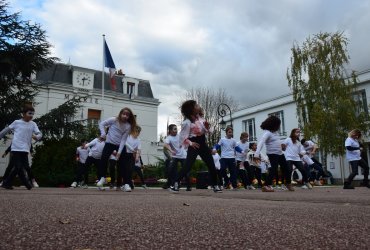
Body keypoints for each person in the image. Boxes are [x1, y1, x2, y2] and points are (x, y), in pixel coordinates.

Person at [171, 100, 222, 193]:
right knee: (188, 165)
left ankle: (215, 185)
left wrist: (207, 127)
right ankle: (176, 183)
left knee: (211, 164)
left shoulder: (201, 119)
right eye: (196, 105)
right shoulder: (187, 122)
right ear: (191, 109)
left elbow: (210, 131)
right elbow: (182, 137)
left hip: (202, 143)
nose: (199, 106)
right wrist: (191, 143)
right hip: (193, 144)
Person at [0, 104, 42, 190]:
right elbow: (6, 130)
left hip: (25, 149)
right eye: (29, 113)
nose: (31, 116)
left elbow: (39, 134)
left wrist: (37, 137)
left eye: (32, 114)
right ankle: (27, 184)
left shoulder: (33, 124)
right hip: (16, 148)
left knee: (25, 167)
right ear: (23, 113)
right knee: (18, 167)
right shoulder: (17, 122)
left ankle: (6, 183)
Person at [96, 108, 136, 188]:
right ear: (120, 114)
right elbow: (101, 124)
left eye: (127, 115)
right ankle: (103, 178)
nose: (125, 116)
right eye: (123, 114)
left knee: (124, 164)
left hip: (119, 145)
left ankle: (126, 184)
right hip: (109, 143)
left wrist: (119, 152)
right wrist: (103, 134)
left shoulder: (128, 126)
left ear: (129, 117)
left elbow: (123, 139)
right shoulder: (114, 120)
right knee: (103, 159)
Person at [254, 116, 293, 192]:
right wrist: (256, 154)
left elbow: (276, 142)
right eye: (278, 125)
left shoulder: (275, 132)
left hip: (280, 153)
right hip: (272, 154)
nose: (279, 126)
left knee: (286, 168)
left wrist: (282, 146)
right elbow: (261, 142)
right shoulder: (267, 133)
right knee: (273, 169)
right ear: (273, 124)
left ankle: (288, 183)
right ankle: (266, 185)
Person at [164, 124, 188, 190]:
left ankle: (188, 186)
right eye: (174, 129)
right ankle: (173, 183)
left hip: (183, 155)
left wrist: (185, 145)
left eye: (176, 129)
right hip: (175, 156)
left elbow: (186, 139)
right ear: (170, 130)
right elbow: (166, 145)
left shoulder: (179, 136)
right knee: (170, 170)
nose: (176, 130)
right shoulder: (168, 138)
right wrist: (171, 150)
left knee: (185, 170)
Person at [120, 125, 142, 192]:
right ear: (133, 131)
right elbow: (125, 144)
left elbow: (139, 149)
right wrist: (132, 149)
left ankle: (127, 184)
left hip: (131, 156)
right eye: (136, 131)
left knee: (130, 170)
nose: (137, 133)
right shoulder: (128, 136)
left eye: (139, 132)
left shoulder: (138, 140)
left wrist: (137, 157)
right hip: (124, 154)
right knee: (124, 170)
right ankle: (124, 184)